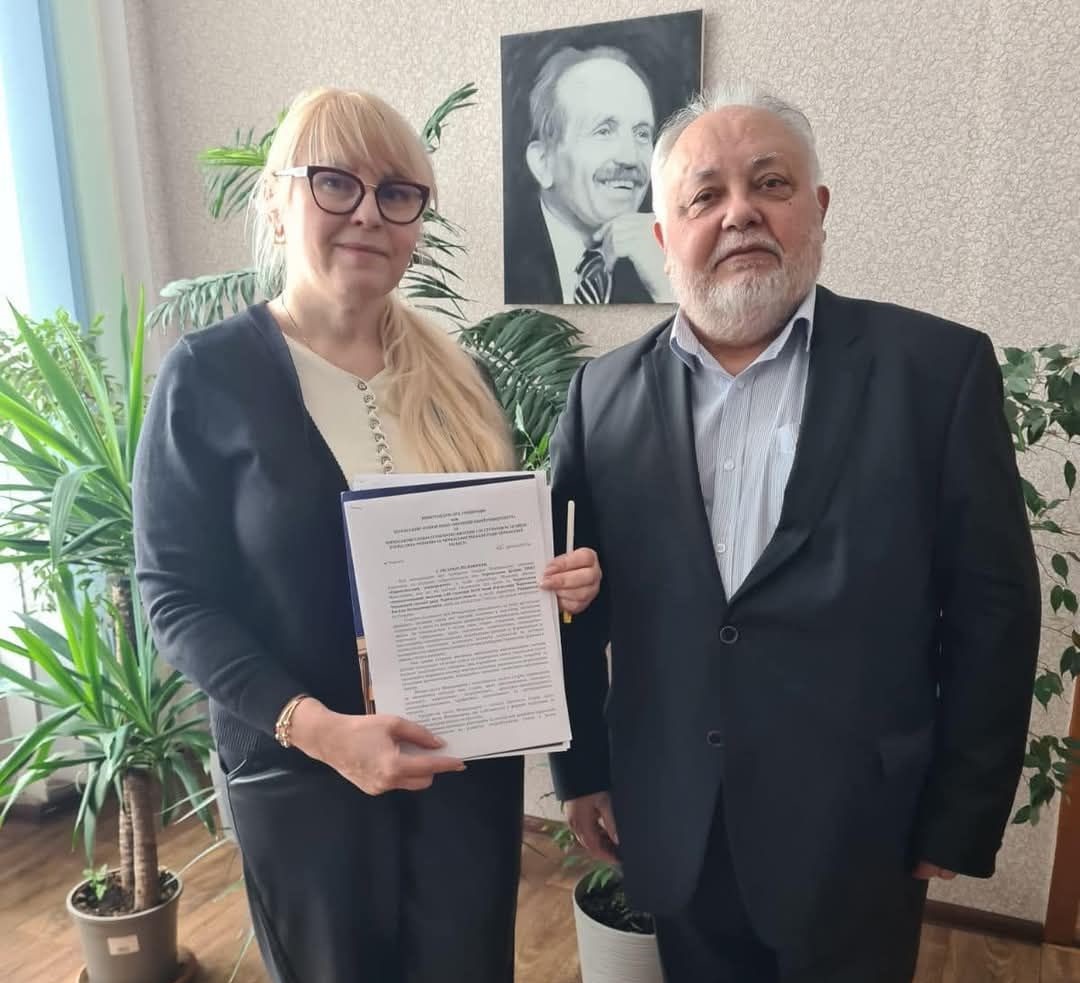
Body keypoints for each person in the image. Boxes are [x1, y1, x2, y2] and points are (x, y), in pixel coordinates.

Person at [549, 82, 1040, 983]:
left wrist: (962, 812)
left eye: (769, 184)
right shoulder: (600, 396)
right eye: (704, 195)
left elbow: (993, 610)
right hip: (677, 820)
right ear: (663, 236)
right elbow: (570, 602)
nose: (739, 212)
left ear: (817, 209)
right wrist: (580, 768)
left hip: (863, 830)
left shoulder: (936, 372)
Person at [133, 86, 601, 983]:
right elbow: (173, 597)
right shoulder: (209, 376)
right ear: (277, 202)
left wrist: (558, 587)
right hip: (305, 781)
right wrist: (322, 731)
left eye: (397, 193)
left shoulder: (462, 379)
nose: (369, 214)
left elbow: (492, 574)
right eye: (336, 183)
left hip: (462, 772)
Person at [504, 45, 673, 305]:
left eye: (641, 134)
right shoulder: (503, 259)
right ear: (543, 162)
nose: (630, 158)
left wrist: (666, 290)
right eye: (603, 131)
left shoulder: (664, 258)